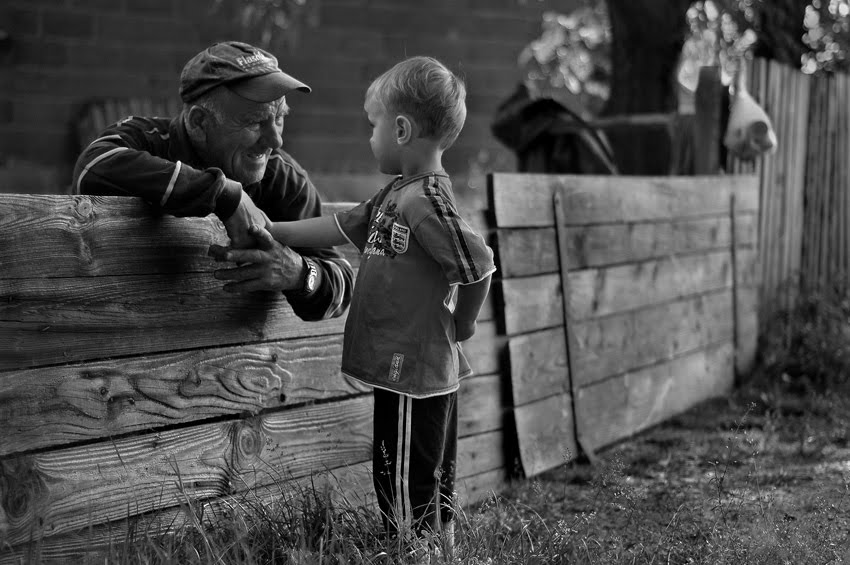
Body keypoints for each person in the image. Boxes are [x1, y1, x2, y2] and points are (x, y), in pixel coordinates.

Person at [265, 56, 495, 552]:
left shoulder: (424, 202)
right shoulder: (398, 194)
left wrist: (466, 321)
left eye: (373, 127)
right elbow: (339, 226)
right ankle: (432, 550)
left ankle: (412, 552)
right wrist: (271, 229)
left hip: (416, 367)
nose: (370, 139)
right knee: (416, 470)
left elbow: (478, 262)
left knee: (405, 475)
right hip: (404, 366)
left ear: (402, 129)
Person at [72, 41, 352, 321]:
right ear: (198, 122)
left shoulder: (282, 177)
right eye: (255, 122)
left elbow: (343, 281)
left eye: (279, 118)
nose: (275, 140)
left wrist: (299, 273)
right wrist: (225, 195)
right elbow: (91, 168)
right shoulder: (149, 140)